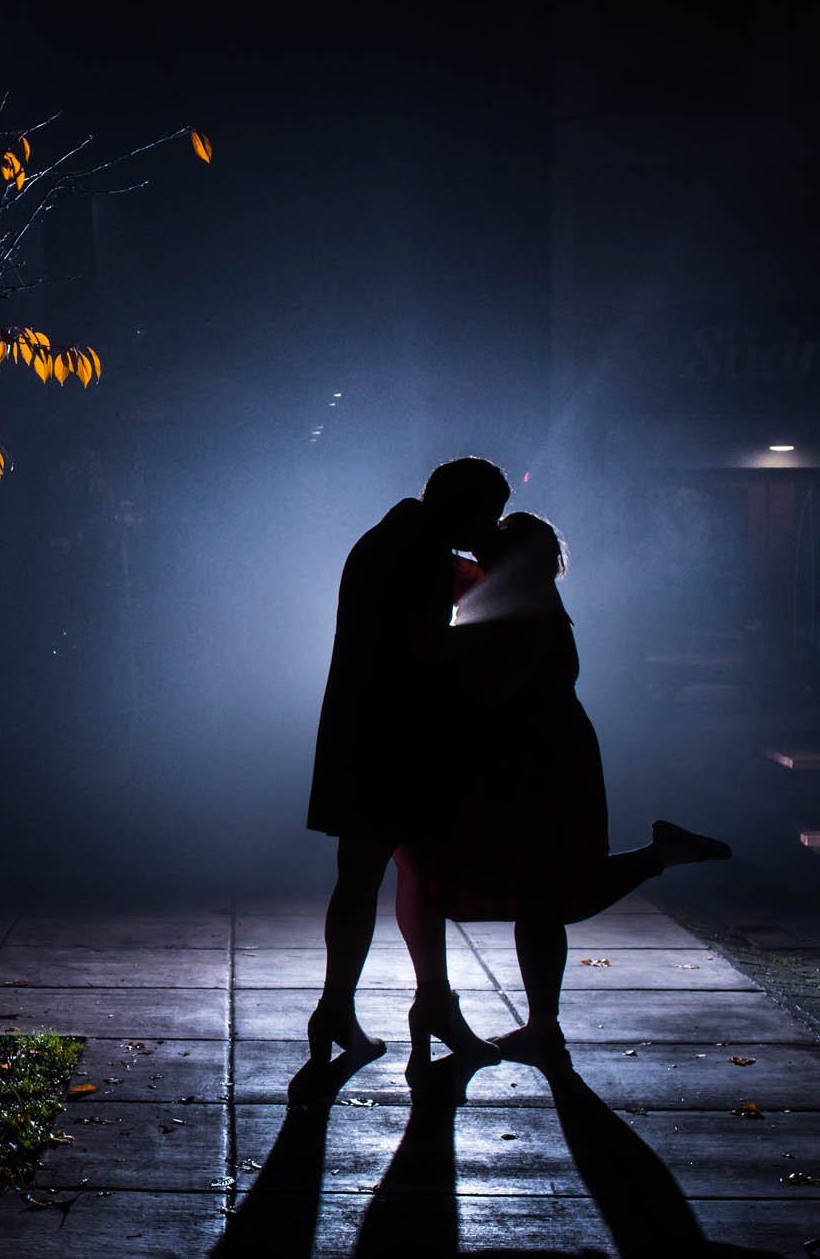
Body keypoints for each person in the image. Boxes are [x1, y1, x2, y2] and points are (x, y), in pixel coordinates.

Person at [408, 512, 732, 1070]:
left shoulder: (526, 610)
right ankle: (543, 1028)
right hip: (544, 756)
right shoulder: (527, 600)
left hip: (541, 763)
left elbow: (495, 692)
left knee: (554, 890)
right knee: (544, 895)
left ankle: (658, 857)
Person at [305, 457, 510, 1066]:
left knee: (361, 878)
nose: (489, 531)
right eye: (489, 517)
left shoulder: (385, 538)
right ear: (467, 508)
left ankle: (339, 1010)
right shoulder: (421, 550)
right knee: (424, 879)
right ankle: (427, 1006)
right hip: (401, 738)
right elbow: (427, 644)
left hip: (360, 729)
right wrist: (499, 626)